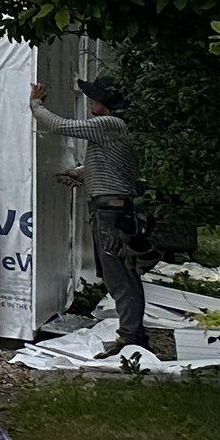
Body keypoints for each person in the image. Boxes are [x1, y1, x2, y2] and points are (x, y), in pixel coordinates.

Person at [32, 76, 147, 350]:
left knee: (119, 276)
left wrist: (35, 105)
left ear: (104, 104)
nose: (90, 102)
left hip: (111, 212)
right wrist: (83, 173)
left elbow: (62, 126)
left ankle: (130, 336)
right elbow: (113, 165)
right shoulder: (115, 129)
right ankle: (133, 333)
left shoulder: (110, 124)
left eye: (94, 99)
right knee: (119, 273)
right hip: (112, 209)